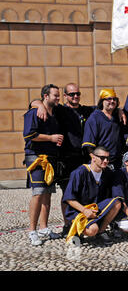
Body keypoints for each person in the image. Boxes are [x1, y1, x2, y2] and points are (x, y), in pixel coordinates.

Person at [31, 83, 95, 236]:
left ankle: (83, 222)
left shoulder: (86, 110)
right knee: (68, 193)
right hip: (66, 159)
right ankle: (68, 225)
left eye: (77, 94)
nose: (75, 97)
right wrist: (39, 105)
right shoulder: (60, 109)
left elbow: (103, 107)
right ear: (65, 96)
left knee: (84, 193)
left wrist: (120, 111)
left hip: (83, 158)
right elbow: (34, 102)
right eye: (71, 94)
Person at [23, 84, 64, 246]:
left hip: (51, 158)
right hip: (36, 158)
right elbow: (29, 135)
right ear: (45, 96)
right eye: (55, 95)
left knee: (47, 194)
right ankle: (32, 231)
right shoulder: (34, 112)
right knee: (38, 193)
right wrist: (51, 138)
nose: (58, 98)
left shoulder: (54, 113)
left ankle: (43, 228)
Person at [63, 146, 123, 246]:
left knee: (117, 203)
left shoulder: (107, 173)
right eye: (102, 158)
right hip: (79, 211)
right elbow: (69, 198)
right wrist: (84, 210)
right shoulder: (79, 172)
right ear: (93, 157)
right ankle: (76, 230)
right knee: (92, 230)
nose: (105, 161)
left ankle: (102, 231)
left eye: (107, 158)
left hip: (95, 208)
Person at [82, 89, 124, 170]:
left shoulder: (116, 118)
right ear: (102, 101)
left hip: (116, 163)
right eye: (109, 99)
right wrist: (97, 162)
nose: (112, 101)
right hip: (101, 165)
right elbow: (89, 146)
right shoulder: (94, 118)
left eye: (114, 99)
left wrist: (120, 110)